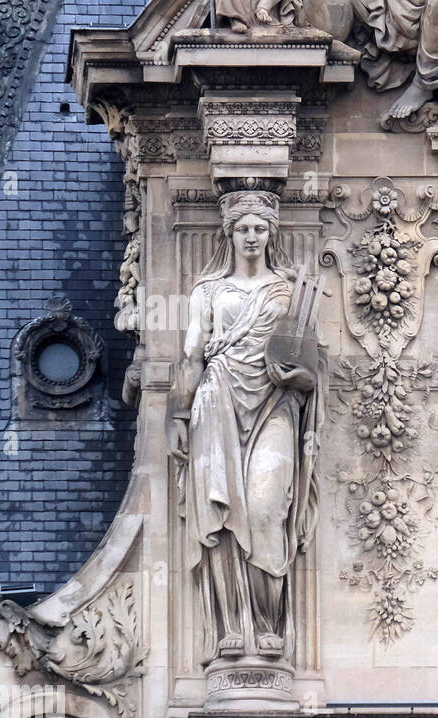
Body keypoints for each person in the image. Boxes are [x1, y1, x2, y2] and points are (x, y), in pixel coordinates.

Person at [166, 190, 323, 665]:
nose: (252, 236)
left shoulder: (291, 290)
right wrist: (177, 414)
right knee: (223, 518)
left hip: (276, 402)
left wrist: (302, 379)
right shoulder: (208, 292)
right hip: (216, 400)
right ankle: (233, 629)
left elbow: (312, 365)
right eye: (243, 228)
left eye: (260, 228)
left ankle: (268, 624)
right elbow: (192, 356)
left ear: (271, 233)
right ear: (229, 233)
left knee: (263, 509)